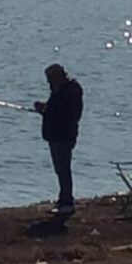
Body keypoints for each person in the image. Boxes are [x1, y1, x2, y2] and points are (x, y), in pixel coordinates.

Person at [34, 64, 83, 215]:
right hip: (57, 136)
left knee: (63, 169)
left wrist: (46, 110)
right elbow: (55, 109)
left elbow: (63, 113)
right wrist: (45, 108)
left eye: (50, 79)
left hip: (63, 136)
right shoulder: (60, 91)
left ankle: (67, 202)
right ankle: (64, 199)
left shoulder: (69, 91)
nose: (48, 83)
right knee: (60, 170)